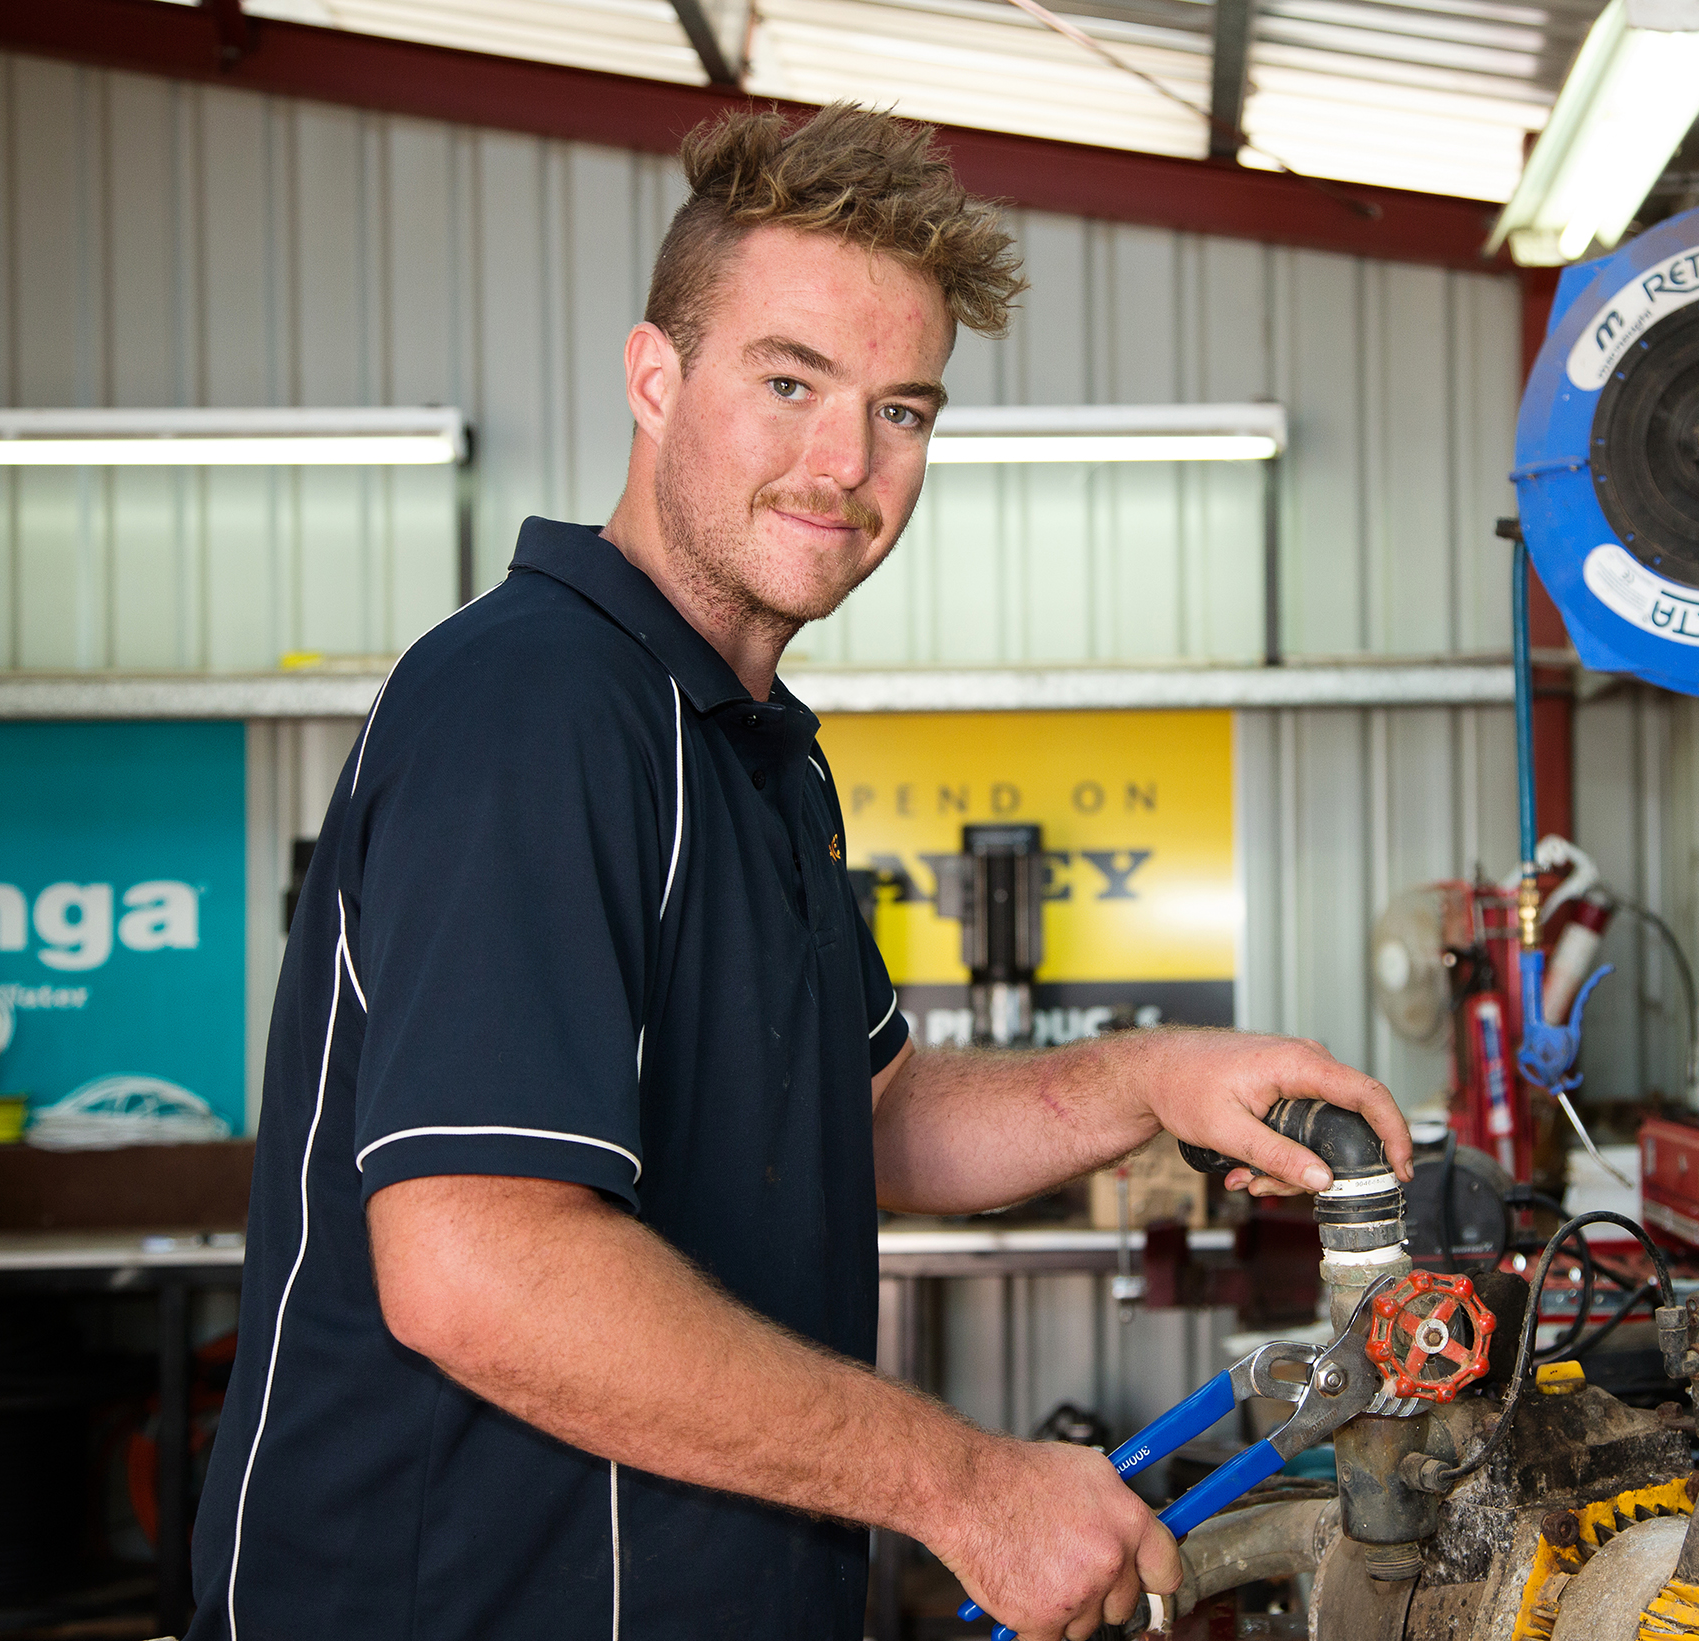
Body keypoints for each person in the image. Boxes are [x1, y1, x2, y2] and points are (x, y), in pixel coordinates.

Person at [187, 103, 1411, 1641]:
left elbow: (866, 1114)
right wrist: (965, 1483)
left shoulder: (750, 747)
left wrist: (1152, 1075)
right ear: (653, 377)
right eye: (788, 381)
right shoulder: (534, 706)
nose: (844, 463)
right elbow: (478, 1261)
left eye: (902, 410)